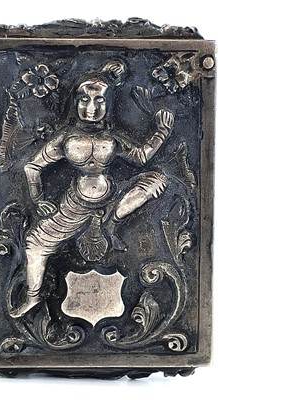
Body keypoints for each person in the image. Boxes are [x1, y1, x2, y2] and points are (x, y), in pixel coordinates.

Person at [10, 60, 174, 318]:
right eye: (84, 100)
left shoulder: (111, 139)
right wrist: (38, 199)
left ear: (108, 105)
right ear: (75, 103)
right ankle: (33, 297)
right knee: (34, 245)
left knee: (156, 180)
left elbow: (141, 156)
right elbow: (32, 166)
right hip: (74, 207)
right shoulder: (66, 138)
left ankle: (113, 220)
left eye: (100, 101)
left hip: (112, 200)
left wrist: (161, 133)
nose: (91, 108)